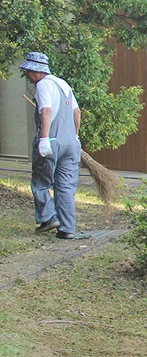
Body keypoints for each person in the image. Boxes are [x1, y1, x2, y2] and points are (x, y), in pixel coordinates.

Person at [20, 52, 81, 240]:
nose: (28, 76)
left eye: (28, 71)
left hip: (52, 141)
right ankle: (67, 229)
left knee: (40, 181)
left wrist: (44, 139)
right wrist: (75, 136)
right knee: (65, 186)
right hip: (71, 143)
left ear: (35, 71)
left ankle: (47, 218)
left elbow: (46, 110)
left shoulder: (43, 85)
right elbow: (77, 112)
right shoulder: (63, 83)